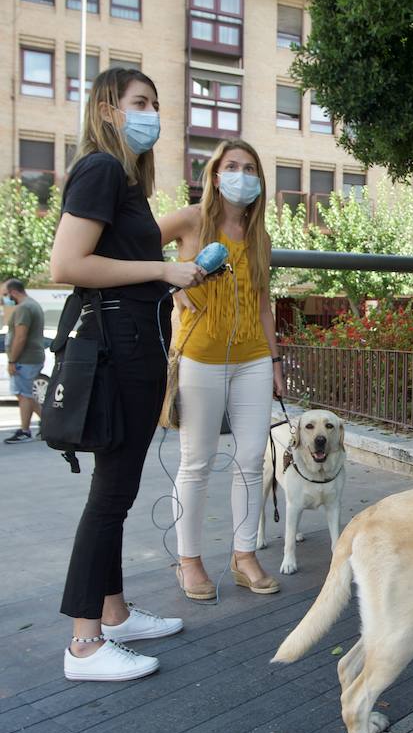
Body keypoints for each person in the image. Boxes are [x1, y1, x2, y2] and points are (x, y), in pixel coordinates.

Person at [51, 68, 209, 681]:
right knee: (111, 495)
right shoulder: (100, 169)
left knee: (117, 489)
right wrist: (164, 273)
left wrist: (166, 276)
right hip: (118, 347)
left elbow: (118, 258)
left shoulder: (126, 180)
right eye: (140, 102)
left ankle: (112, 612)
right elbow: (67, 263)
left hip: (134, 342)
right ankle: (84, 644)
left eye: (156, 103)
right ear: (109, 109)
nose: (153, 113)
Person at [158, 140, 285, 601]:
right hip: (199, 357)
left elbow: (264, 306)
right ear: (215, 175)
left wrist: (274, 361)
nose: (241, 175)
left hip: (252, 358)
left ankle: (244, 555)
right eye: (232, 166)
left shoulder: (259, 237)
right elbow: (137, 247)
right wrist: (171, 279)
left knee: (252, 460)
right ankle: (189, 561)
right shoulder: (191, 220)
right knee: (196, 462)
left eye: (250, 168)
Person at [3, 279, 45, 443]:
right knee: (25, 394)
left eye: (6, 294)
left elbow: (20, 337)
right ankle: (49, 424)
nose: (6, 298)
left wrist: (12, 360)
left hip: (25, 359)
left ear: (13, 292)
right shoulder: (32, 304)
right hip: (30, 357)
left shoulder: (24, 308)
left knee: (24, 395)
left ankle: (25, 430)